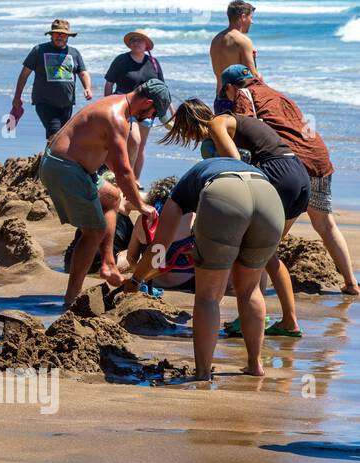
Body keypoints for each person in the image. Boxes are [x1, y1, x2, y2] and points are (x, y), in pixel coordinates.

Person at [126, 157, 285, 380]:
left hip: (225, 193)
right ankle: (255, 365)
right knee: (250, 289)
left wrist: (135, 281)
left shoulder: (180, 192)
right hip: (268, 194)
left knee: (208, 296)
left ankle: (202, 373)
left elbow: (159, 248)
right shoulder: (215, 170)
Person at [163, 98, 308, 336]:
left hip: (278, 175)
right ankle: (287, 321)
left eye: (187, 133)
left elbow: (235, 165)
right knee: (266, 252)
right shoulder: (235, 121)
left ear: (193, 122)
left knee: (255, 251)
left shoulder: (216, 123)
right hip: (298, 175)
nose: (190, 139)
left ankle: (251, 317)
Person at [221, 64, 359, 295]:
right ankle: (351, 283)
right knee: (325, 224)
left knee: (264, 235)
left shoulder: (244, 95)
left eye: (225, 92)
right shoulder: (277, 94)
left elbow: (245, 128)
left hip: (293, 163)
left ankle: (248, 289)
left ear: (230, 87)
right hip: (319, 158)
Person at [40, 78, 171, 307]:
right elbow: (123, 171)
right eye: (152, 113)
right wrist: (140, 206)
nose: (149, 118)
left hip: (73, 166)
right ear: (147, 102)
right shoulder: (116, 117)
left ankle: (108, 264)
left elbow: (110, 158)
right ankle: (71, 299)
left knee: (111, 197)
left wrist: (127, 193)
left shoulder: (117, 102)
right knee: (93, 231)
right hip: (64, 168)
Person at [12, 19, 91, 140]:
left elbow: (83, 73)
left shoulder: (74, 53)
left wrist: (87, 88)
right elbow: (24, 74)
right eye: (56, 34)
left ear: (68, 36)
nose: (59, 37)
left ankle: (47, 158)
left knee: (61, 137)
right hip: (45, 102)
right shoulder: (39, 50)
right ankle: (52, 158)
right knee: (55, 134)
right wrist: (17, 97)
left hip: (67, 104)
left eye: (63, 34)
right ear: (51, 35)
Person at [104, 29, 164, 175]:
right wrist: (107, 106)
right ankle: (125, 177)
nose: (136, 43)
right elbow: (109, 83)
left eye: (140, 40)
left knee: (140, 147)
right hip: (125, 108)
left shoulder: (153, 62)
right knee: (134, 141)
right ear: (130, 44)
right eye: (133, 40)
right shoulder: (121, 60)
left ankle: (135, 180)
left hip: (147, 111)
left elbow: (161, 88)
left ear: (146, 45)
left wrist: (169, 109)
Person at [210, 0, 258, 112]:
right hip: (237, 100)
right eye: (251, 17)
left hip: (219, 99)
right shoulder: (243, 41)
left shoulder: (216, 40)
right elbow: (252, 77)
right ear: (243, 17)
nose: (252, 22)